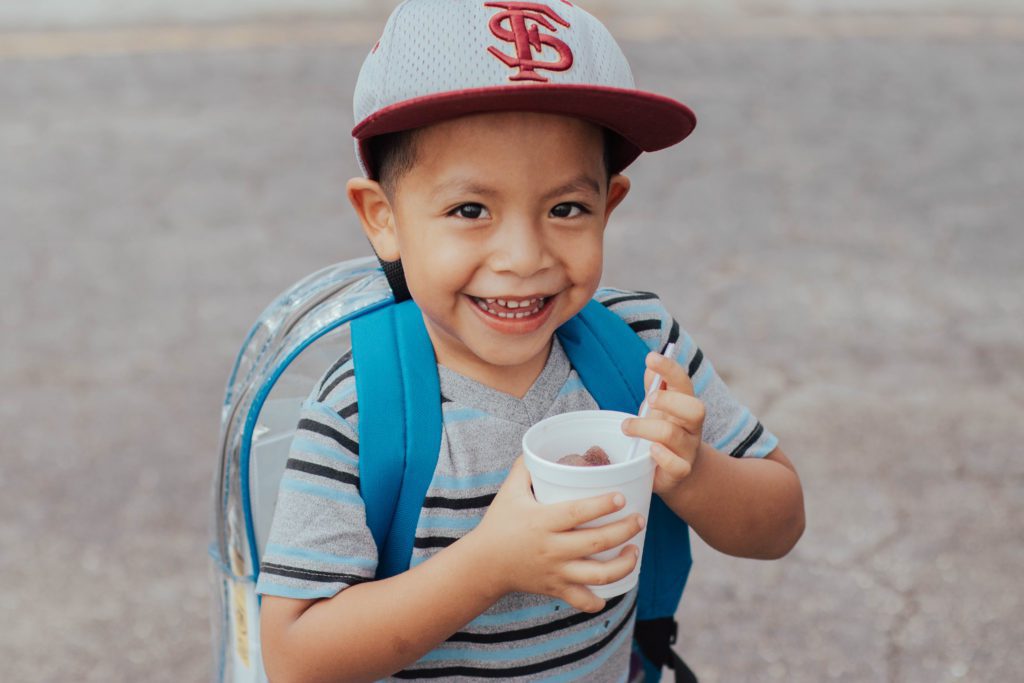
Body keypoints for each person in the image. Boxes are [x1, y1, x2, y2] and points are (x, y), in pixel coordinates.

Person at [256, 1, 805, 681]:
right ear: (383, 218)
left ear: (612, 203)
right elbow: (294, 656)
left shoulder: (641, 351)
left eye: (566, 208)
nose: (523, 255)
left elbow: (780, 520)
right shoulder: (363, 405)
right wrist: (489, 564)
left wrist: (695, 471)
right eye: (470, 210)